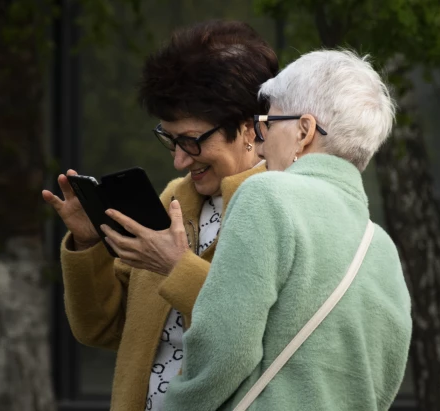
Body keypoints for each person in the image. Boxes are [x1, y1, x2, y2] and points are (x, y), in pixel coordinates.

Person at [41, 20, 279, 411]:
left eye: (190, 141)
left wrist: (176, 268)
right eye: (169, 138)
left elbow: (269, 335)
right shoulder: (174, 202)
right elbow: (100, 328)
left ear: (248, 127)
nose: (179, 159)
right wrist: (89, 244)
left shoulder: (287, 209)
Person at [163, 49, 413, 411]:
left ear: (304, 130)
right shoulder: (382, 246)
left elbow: (223, 348)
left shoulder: (267, 196)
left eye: (268, 123)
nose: (260, 143)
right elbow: (386, 377)